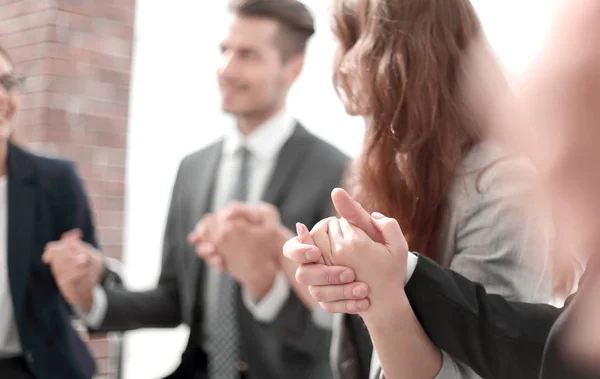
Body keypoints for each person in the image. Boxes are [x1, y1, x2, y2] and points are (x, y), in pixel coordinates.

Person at [284, 1, 600, 378]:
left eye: (340, 38)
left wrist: (382, 296)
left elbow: (490, 365)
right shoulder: (377, 170)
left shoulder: (500, 185)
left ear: (383, 56)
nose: (335, 62)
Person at [43, 1, 349, 379]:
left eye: (248, 55)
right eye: (225, 50)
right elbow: (172, 300)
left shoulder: (335, 172)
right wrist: (90, 299)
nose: (227, 69)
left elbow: (340, 327)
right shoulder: (194, 168)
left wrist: (265, 284)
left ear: (293, 68)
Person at [0, 46, 99, 378]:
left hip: (36, 369)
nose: (3, 96)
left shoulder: (56, 181)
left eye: (8, 82)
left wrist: (86, 273)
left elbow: (100, 288)